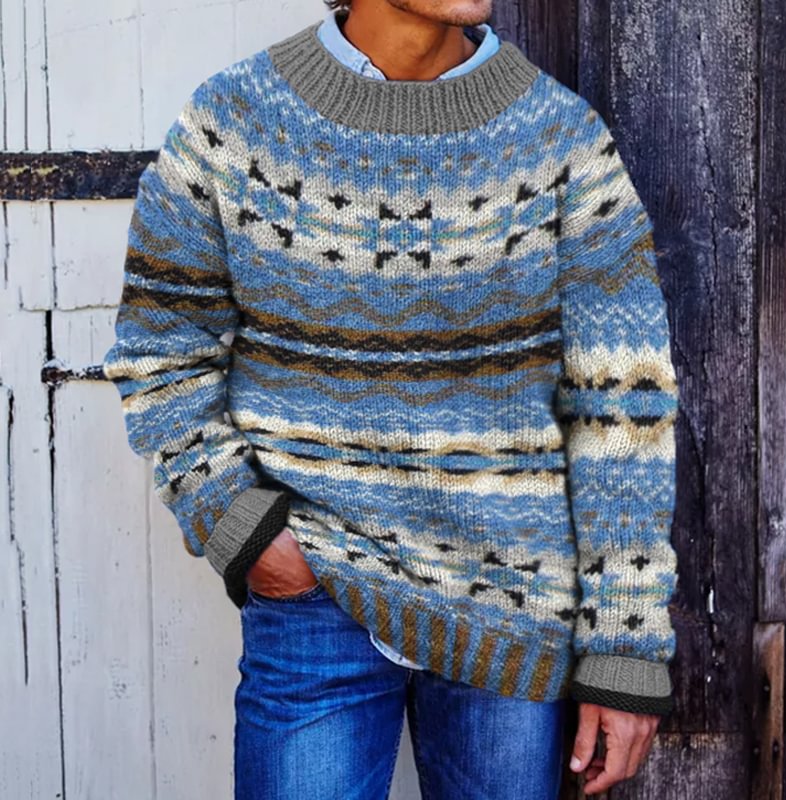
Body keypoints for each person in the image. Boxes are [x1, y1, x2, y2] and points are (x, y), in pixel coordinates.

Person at [102, 0, 681, 797]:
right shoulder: (234, 125)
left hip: (511, 613)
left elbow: (624, 409)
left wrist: (625, 647)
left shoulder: (560, 142)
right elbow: (162, 352)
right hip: (314, 601)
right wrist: (242, 528)